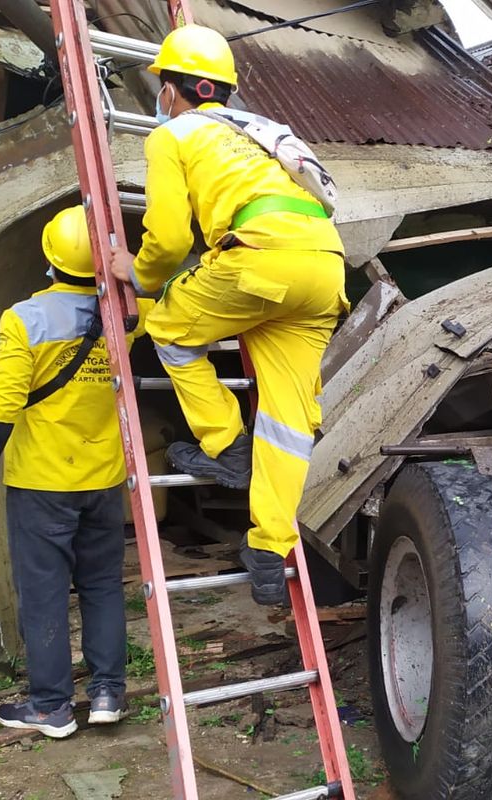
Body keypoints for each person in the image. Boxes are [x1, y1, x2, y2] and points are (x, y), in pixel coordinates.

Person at [109, 25, 348, 607]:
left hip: (257, 261)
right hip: (324, 267)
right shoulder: (259, 130)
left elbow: (165, 242)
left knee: (167, 328)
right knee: (289, 420)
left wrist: (132, 271)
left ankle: (226, 445)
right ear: (221, 89)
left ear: (171, 90)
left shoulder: (174, 135)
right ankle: (268, 547)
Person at [0, 206, 150, 738]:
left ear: (50, 257)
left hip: (41, 485)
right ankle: (108, 692)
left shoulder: (24, 320)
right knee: (104, 586)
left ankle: (50, 707)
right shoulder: (129, 316)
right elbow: (164, 295)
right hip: (105, 479)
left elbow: (0, 407)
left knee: (44, 593)